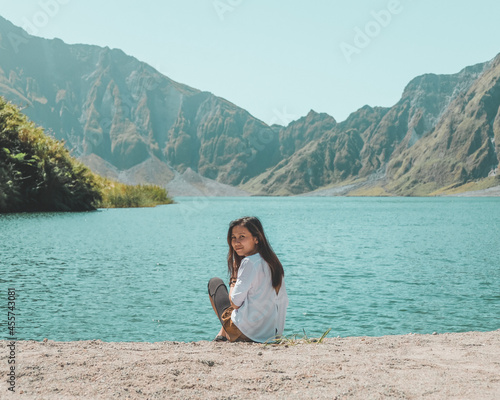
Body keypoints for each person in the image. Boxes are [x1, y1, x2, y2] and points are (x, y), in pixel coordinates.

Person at [208, 216, 288, 343]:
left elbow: (234, 303)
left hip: (247, 334)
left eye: (242, 237)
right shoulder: (273, 263)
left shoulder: (249, 262)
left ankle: (223, 335)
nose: (236, 242)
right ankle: (221, 335)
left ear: (256, 239)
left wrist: (234, 278)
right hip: (272, 334)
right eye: (233, 238)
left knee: (214, 283)